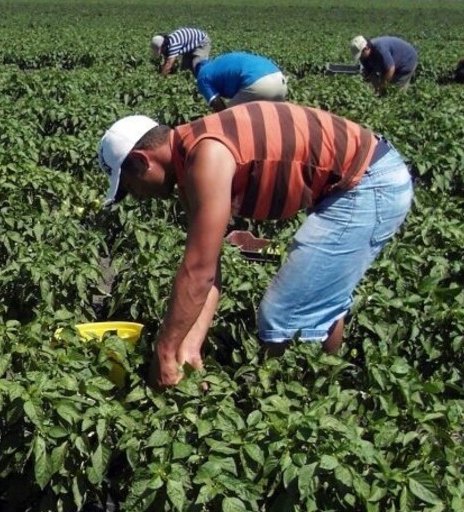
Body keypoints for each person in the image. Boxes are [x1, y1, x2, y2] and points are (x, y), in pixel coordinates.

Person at [97, 103, 413, 386]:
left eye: (129, 187)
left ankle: (289, 404)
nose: (136, 196)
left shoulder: (207, 156)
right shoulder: (192, 158)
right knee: (315, 300)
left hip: (368, 182)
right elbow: (210, 265)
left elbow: (198, 272)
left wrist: (164, 351)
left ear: (142, 162)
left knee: (282, 315)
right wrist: (189, 347)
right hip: (361, 178)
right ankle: (323, 390)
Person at [193, 52, 288, 112]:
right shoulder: (218, 63)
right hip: (280, 78)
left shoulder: (202, 75)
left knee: (228, 118)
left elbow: (216, 103)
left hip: (258, 83)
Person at [350, 35, 419, 94]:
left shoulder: (380, 48)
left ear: (367, 48)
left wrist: (382, 87)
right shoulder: (363, 57)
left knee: (395, 91)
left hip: (407, 60)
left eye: (361, 54)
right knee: (386, 86)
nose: (361, 57)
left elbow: (390, 69)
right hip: (392, 63)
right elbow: (370, 73)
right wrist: (376, 87)